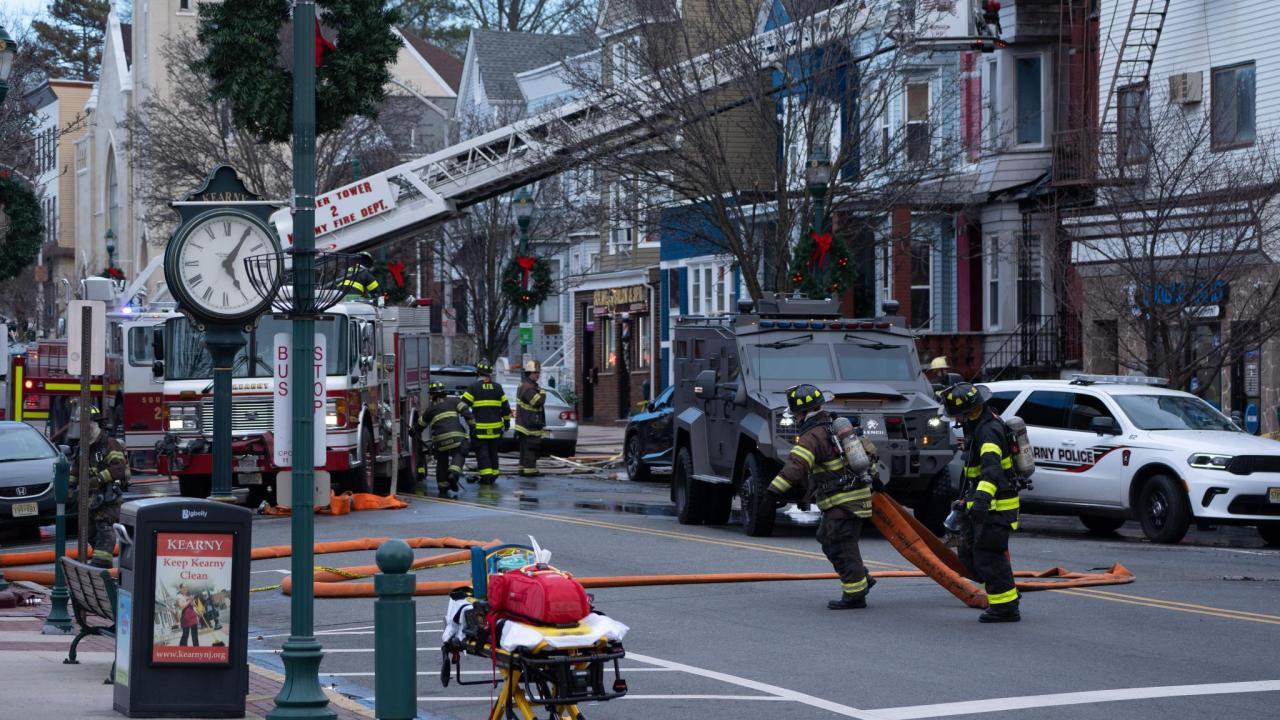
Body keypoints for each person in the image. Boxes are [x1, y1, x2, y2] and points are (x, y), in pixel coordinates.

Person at [765, 384, 875, 610]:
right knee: (826, 538)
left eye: (796, 414)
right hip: (851, 497)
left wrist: (772, 492)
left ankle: (855, 594)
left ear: (803, 412)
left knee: (841, 544)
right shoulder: (832, 426)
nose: (796, 419)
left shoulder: (812, 436)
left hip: (844, 501)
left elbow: (796, 466)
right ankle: (861, 578)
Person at [942, 382, 1022, 623]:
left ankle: (1005, 607)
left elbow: (991, 471)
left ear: (968, 412)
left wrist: (981, 501)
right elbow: (974, 473)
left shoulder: (988, 432)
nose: (957, 421)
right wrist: (966, 500)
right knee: (973, 556)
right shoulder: (980, 427)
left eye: (958, 416)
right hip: (985, 504)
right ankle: (1006, 595)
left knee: (989, 556)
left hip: (996, 507)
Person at [68, 405, 129, 568]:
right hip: (90, 500)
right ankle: (101, 563)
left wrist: (97, 480)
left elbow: (118, 469)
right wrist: (69, 487)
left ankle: (101, 565)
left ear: (94, 424)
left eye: (85, 425)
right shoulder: (83, 446)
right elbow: (76, 468)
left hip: (108, 498)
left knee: (105, 529)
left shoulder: (110, 444)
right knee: (89, 531)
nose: (82, 429)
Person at [417, 382, 469, 497]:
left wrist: (412, 431)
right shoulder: (454, 401)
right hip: (456, 436)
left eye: (430, 394)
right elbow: (466, 411)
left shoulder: (430, 409)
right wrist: (473, 426)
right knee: (460, 453)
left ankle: (443, 487)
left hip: (439, 440)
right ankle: (453, 474)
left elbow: (420, 425)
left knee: (441, 462)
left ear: (433, 395)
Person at [461, 361, 510, 485]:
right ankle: (494, 474)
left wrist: (469, 420)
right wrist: (507, 422)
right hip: (496, 429)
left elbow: (462, 405)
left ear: (478, 373)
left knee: (482, 453)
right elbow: (506, 407)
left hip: (480, 429)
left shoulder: (474, 388)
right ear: (490, 374)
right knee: (493, 452)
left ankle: (486, 477)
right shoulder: (498, 388)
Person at [515, 360, 547, 477]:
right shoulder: (528, 388)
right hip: (529, 424)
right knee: (531, 447)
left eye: (538, 372)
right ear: (529, 373)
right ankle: (530, 471)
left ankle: (522, 469)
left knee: (525, 448)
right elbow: (538, 402)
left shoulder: (526, 385)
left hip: (526, 422)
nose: (538, 375)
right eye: (535, 373)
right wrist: (542, 392)